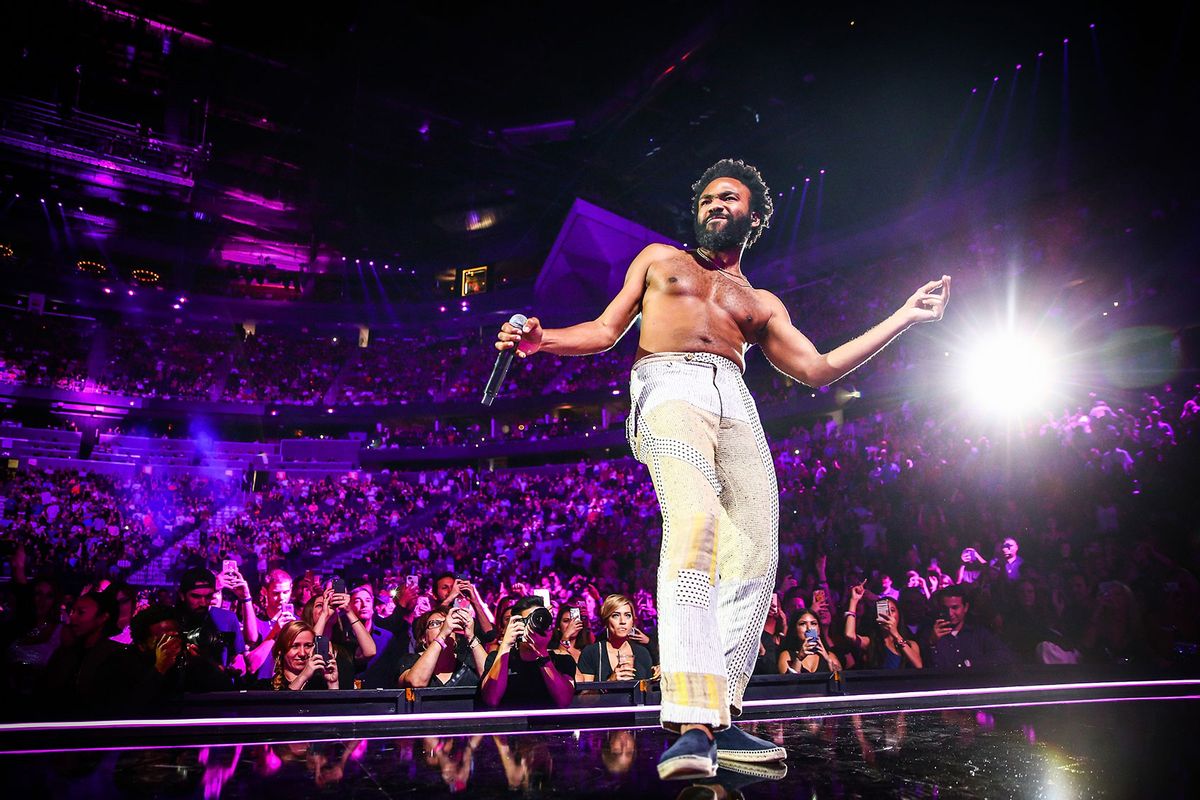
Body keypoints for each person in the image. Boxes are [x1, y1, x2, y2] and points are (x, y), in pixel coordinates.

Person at [494, 158, 950, 779]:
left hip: (735, 400)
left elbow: (817, 369)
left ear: (753, 218)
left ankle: (724, 713)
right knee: (697, 526)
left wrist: (904, 316)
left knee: (755, 558)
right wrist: (541, 339)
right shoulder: (659, 260)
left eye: (728, 199)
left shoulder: (759, 301)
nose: (713, 205)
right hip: (667, 386)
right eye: (707, 197)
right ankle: (689, 719)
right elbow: (605, 330)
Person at [478, 596, 575, 710]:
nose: (535, 626)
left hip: (547, 726)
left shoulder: (562, 660)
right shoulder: (498, 659)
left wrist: (542, 653)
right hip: (510, 725)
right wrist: (505, 645)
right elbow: (491, 699)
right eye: (530, 620)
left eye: (540, 619)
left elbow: (564, 700)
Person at [397, 604, 487, 688]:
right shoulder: (411, 660)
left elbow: (491, 680)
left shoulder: (468, 660)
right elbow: (416, 682)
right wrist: (442, 636)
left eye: (446, 623)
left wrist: (470, 636)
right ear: (423, 638)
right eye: (435, 623)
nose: (444, 627)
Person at [928, 586, 1015, 669]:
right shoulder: (930, 634)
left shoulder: (979, 633)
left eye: (955, 607)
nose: (950, 613)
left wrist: (971, 664)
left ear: (965, 607)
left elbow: (1004, 656)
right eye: (945, 608)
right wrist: (932, 644)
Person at [844, 580, 923, 669]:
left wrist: (896, 635)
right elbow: (850, 635)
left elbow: (919, 665)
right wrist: (854, 600)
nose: (888, 614)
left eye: (892, 610)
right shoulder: (871, 643)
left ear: (899, 615)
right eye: (885, 611)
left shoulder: (911, 645)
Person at [576, 594, 654, 683]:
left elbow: (648, 693)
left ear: (632, 621)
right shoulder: (592, 652)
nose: (623, 621)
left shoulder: (642, 653)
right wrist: (610, 681)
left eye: (627, 615)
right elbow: (583, 696)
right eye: (616, 615)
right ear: (606, 621)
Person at [260, 620, 340, 691]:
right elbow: (282, 706)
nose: (302, 653)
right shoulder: (265, 687)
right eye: (294, 646)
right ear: (281, 651)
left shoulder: (320, 685)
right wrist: (303, 676)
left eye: (308, 646)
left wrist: (332, 683)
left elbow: (333, 708)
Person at [778, 609, 843, 674]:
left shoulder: (830, 656)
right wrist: (798, 659)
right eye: (802, 624)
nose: (809, 628)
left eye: (813, 623)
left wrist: (828, 661)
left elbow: (839, 681)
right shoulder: (786, 655)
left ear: (819, 629)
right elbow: (789, 683)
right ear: (794, 630)